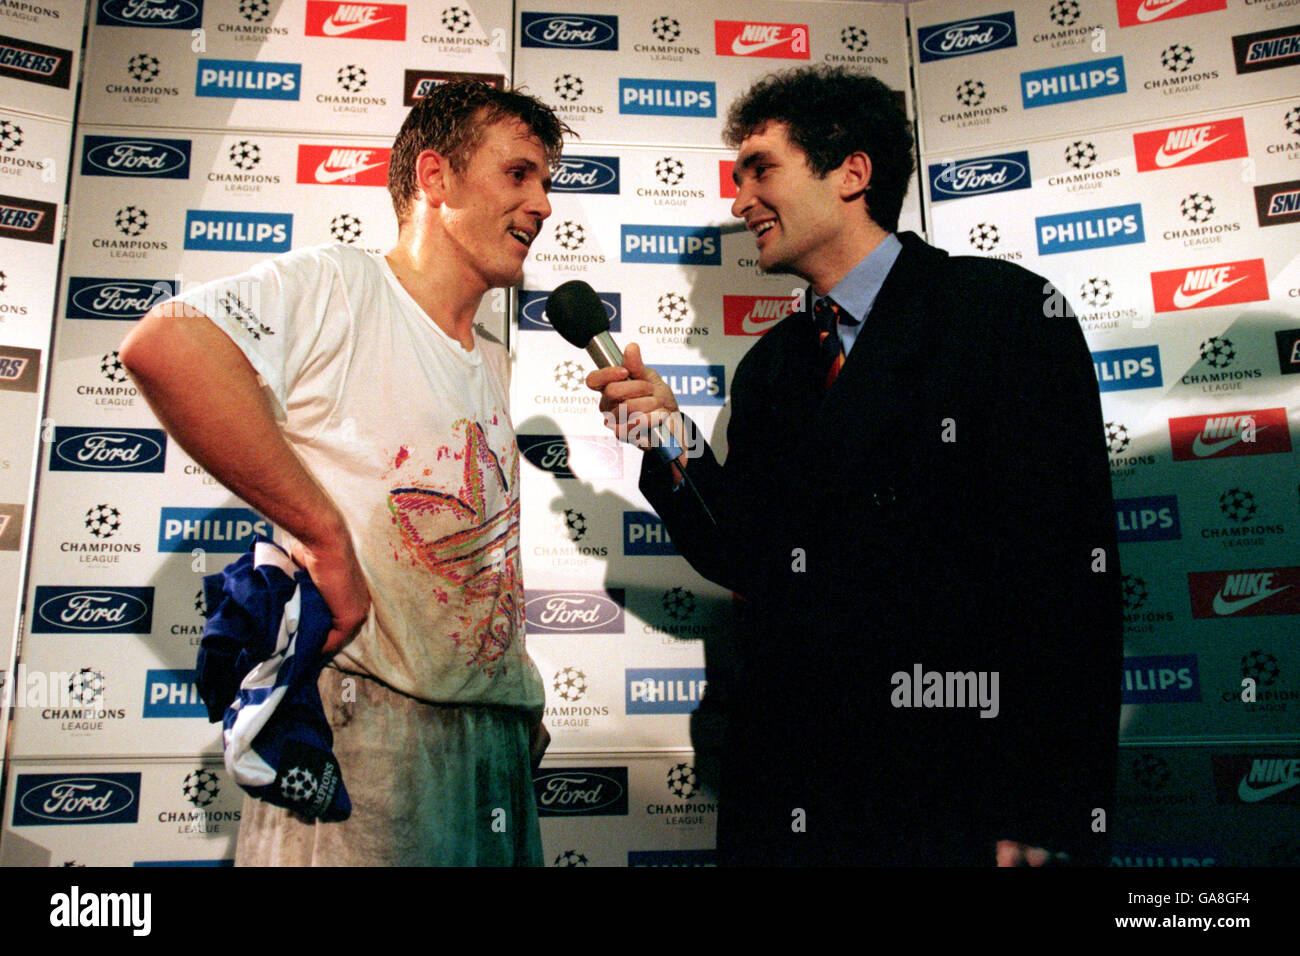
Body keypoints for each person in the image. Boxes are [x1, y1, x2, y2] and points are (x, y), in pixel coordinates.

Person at [588, 66, 1122, 866]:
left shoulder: (1001, 313)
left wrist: (1044, 805)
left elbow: (1066, 572)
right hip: (789, 796)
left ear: (852, 173)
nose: (740, 202)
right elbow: (749, 555)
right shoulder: (772, 368)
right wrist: (670, 440)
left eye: (760, 169)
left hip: (949, 795)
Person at [121, 81, 569, 865]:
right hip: (368, 738)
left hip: (494, 744)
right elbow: (168, 344)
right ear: (435, 178)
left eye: (547, 182)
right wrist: (323, 536)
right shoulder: (346, 284)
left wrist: (507, 686)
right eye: (519, 174)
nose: (543, 203)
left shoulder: (495, 359)